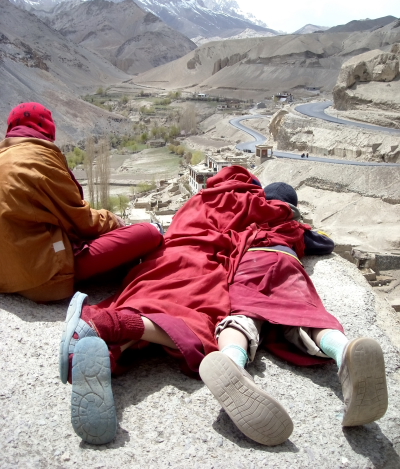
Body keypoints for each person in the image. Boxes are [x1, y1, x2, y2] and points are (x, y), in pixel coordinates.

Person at [59, 166, 305, 444]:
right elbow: (281, 215)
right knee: (203, 325)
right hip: (201, 262)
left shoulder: (197, 198)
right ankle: (114, 326)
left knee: (147, 299)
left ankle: (104, 346)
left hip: (163, 258)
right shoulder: (248, 198)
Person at [199, 182, 388, 445]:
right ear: (292, 208)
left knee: (244, 315)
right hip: (287, 266)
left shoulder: (247, 220)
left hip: (250, 264)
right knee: (308, 317)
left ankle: (232, 360)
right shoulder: (293, 226)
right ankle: (344, 352)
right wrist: (301, 225)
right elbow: (325, 244)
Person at [0, 102, 163, 302]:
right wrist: (113, 220)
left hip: (5, 273)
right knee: (149, 232)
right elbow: (82, 222)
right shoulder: (38, 160)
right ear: (46, 127)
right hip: (42, 274)